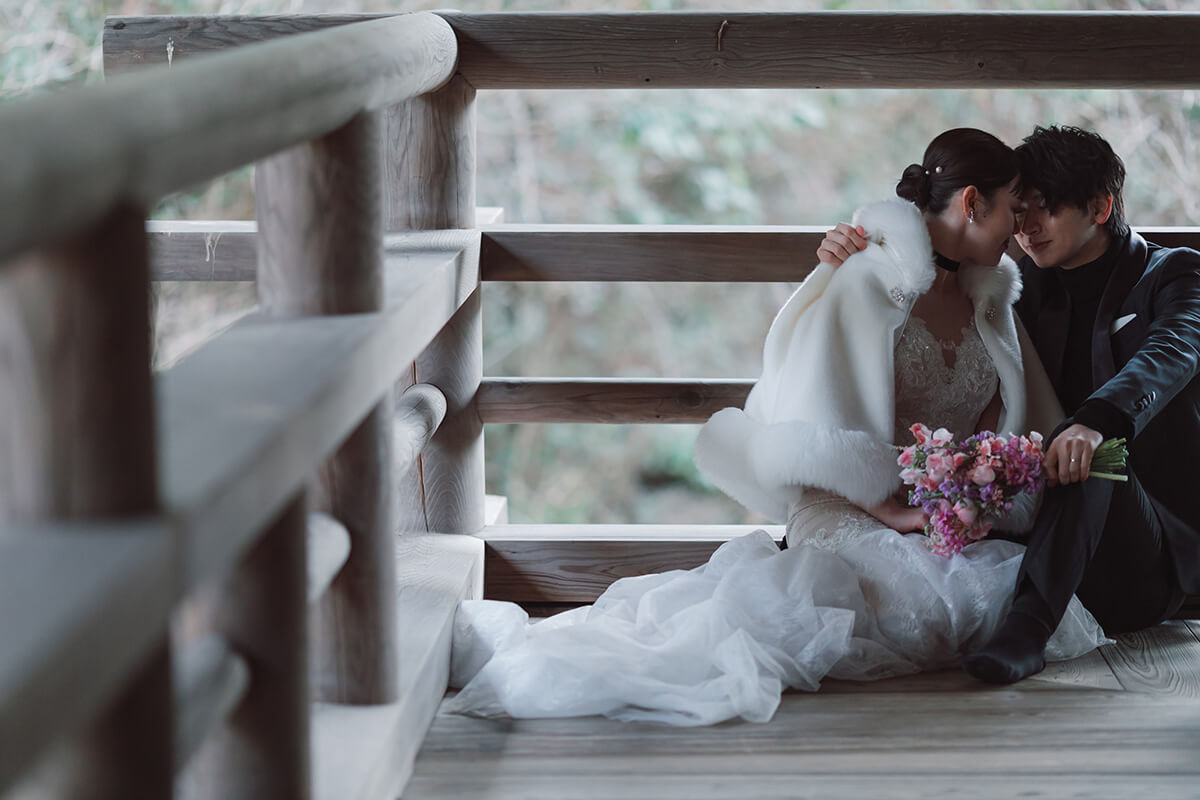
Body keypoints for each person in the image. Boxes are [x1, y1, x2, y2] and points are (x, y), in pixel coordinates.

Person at [446, 129, 1108, 727]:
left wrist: (967, 487)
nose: (1021, 226)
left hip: (928, 506)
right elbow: (821, 435)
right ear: (972, 203)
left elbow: (1006, 411)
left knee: (1007, 585)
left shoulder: (992, 295)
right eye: (1012, 207)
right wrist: (899, 512)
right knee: (933, 599)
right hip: (847, 505)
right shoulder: (864, 283)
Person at [819, 126, 1200, 686]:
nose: (1025, 230)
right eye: (1019, 212)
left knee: (1095, 451)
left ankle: (1028, 631)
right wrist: (851, 246)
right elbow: (941, 226)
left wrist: (1095, 423)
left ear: (1101, 205)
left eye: (1044, 211)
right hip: (1032, 540)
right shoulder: (1012, 286)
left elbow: (1175, 349)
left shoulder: (1175, 274)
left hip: (1146, 558)